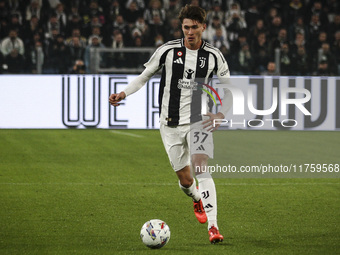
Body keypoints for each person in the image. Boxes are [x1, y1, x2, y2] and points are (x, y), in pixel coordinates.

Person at [109, 4, 232, 244]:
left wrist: (220, 115)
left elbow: (229, 91)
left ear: (203, 27)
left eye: (194, 27)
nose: (190, 32)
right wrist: (123, 93)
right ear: (182, 27)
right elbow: (144, 77)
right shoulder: (167, 51)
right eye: (186, 27)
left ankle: (213, 226)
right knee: (186, 181)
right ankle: (196, 198)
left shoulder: (214, 56)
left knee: (201, 168)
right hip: (169, 124)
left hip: (199, 121)